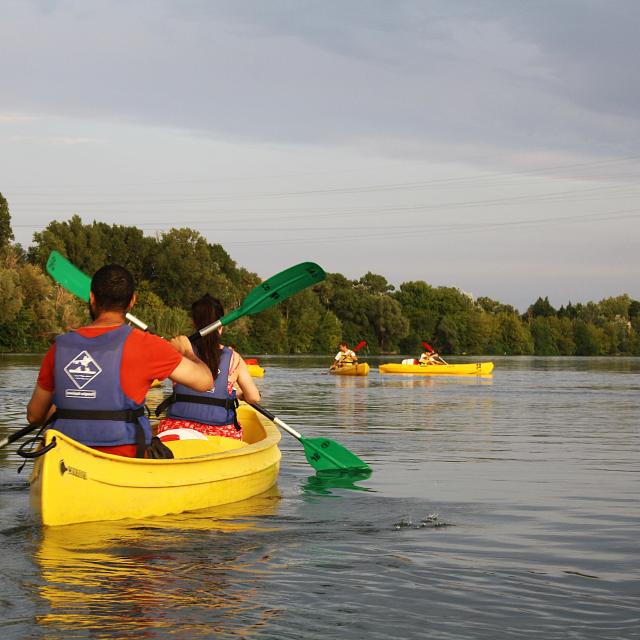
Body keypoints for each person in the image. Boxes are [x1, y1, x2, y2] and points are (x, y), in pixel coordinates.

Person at [26, 264, 213, 458]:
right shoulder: (149, 345)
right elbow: (205, 382)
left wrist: (69, 403)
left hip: (64, 454)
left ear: (91, 298)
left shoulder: (59, 347)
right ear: (132, 301)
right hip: (123, 457)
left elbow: (34, 416)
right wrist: (187, 352)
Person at [155, 294, 260, 441]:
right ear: (221, 325)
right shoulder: (234, 358)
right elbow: (254, 397)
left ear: (193, 323)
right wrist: (238, 394)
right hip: (220, 433)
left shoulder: (178, 351)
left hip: (177, 430)